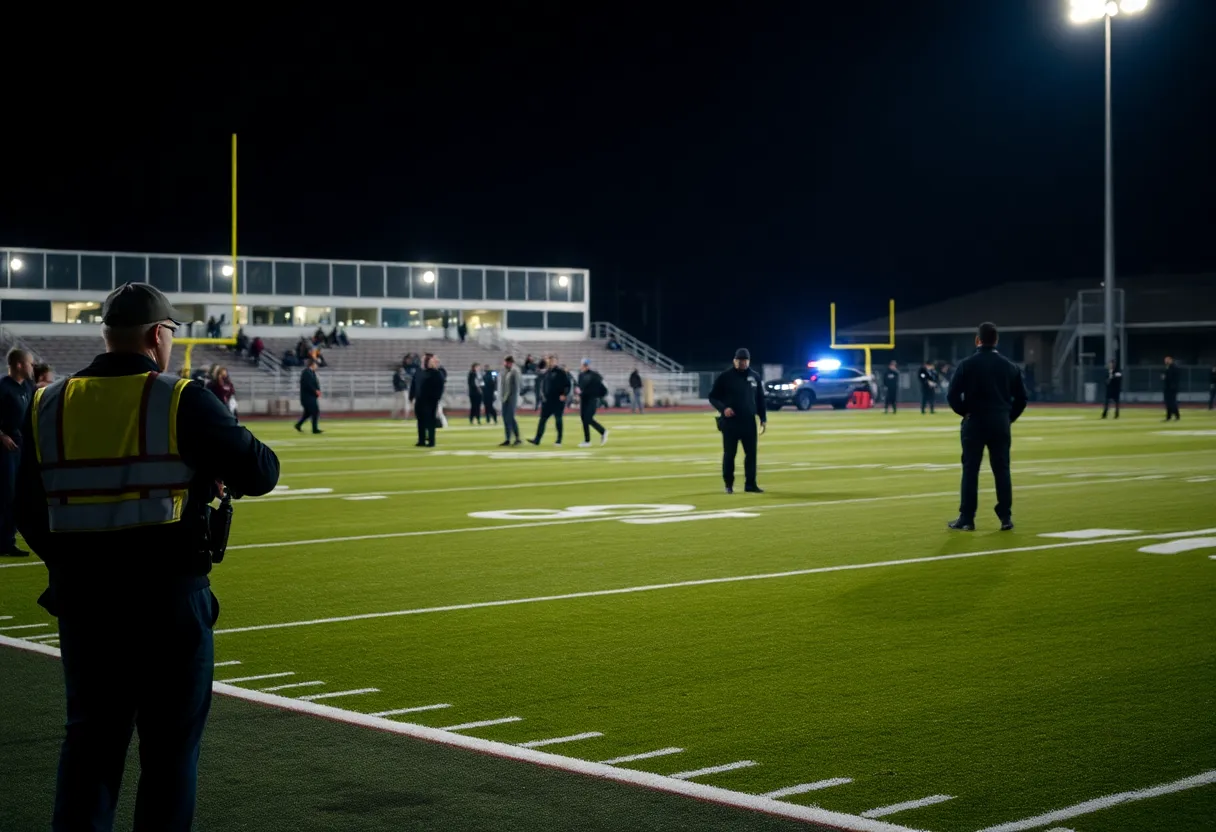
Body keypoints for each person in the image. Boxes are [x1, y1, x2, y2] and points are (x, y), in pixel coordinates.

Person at [14, 281, 279, 831]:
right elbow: (262, 470)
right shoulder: (179, 397)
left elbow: (27, 512)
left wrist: (71, 567)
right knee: (169, 756)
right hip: (169, 604)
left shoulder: (48, 403)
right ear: (158, 335)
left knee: (89, 750)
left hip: (86, 605)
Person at [945, 321, 1028, 532]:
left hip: (975, 422)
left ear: (977, 340)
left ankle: (967, 518)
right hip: (1000, 422)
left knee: (970, 470)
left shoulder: (967, 364)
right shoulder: (1009, 366)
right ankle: (1005, 517)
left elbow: (952, 395)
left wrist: (965, 412)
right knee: (1002, 470)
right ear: (996, 340)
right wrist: (1007, 417)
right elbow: (1022, 398)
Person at [708, 348, 767, 494]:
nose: (742, 363)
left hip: (748, 421)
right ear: (735, 360)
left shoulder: (755, 377)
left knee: (751, 454)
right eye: (740, 360)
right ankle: (729, 484)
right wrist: (724, 409)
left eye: (745, 360)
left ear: (749, 361)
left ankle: (750, 484)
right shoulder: (725, 376)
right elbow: (713, 397)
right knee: (729, 454)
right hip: (731, 422)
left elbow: (760, 399)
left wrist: (763, 418)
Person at [0, 348, 35, 557]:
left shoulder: (28, 387)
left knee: (18, 494)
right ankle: (5, 541)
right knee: (6, 494)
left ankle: (8, 540)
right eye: (29, 363)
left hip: (22, 446)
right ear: (20, 364)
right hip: (6, 448)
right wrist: (2, 435)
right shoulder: (3, 387)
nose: (32, 367)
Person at [529, 356, 570, 446]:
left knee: (558, 420)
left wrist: (564, 394)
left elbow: (568, 385)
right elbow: (540, 374)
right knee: (542, 420)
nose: (551, 362)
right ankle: (537, 439)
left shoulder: (561, 372)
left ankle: (559, 440)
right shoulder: (547, 372)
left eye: (553, 361)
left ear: (556, 362)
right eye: (550, 361)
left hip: (558, 400)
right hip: (547, 401)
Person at [576, 359, 609, 447]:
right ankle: (587, 441)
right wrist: (578, 393)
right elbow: (580, 387)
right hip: (584, 399)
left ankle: (603, 431)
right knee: (584, 419)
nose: (585, 366)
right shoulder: (580, 375)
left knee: (587, 418)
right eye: (584, 364)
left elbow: (603, 386)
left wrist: (600, 395)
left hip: (592, 399)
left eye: (586, 365)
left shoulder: (595, 375)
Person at [415, 355, 445, 447]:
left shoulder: (437, 373)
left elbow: (440, 387)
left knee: (430, 420)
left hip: (431, 400)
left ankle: (431, 440)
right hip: (420, 399)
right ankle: (422, 440)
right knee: (421, 420)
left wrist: (436, 398)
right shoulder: (422, 372)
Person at [499, 355, 523, 447]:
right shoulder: (505, 371)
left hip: (511, 398)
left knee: (511, 418)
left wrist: (515, 398)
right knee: (505, 418)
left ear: (510, 363)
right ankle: (508, 439)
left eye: (506, 362)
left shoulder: (515, 372)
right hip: (505, 397)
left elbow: (517, 386)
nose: (504, 364)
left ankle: (517, 438)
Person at [295, 357, 322, 434]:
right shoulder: (306, 372)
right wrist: (315, 391)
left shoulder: (312, 372)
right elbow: (307, 385)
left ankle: (298, 425)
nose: (317, 366)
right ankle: (315, 429)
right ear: (312, 364)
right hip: (307, 397)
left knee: (307, 413)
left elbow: (315, 384)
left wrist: (318, 390)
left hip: (311, 396)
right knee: (315, 411)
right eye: (316, 364)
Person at [1162, 356, 1180, 421]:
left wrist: (1165, 377)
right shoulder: (1167, 367)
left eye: (1167, 360)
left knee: (1172, 402)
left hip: (1172, 388)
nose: (1165, 362)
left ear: (1170, 360)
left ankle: (1177, 416)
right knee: (1168, 403)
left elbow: (1174, 378)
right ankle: (1168, 417)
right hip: (1167, 388)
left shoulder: (1174, 367)